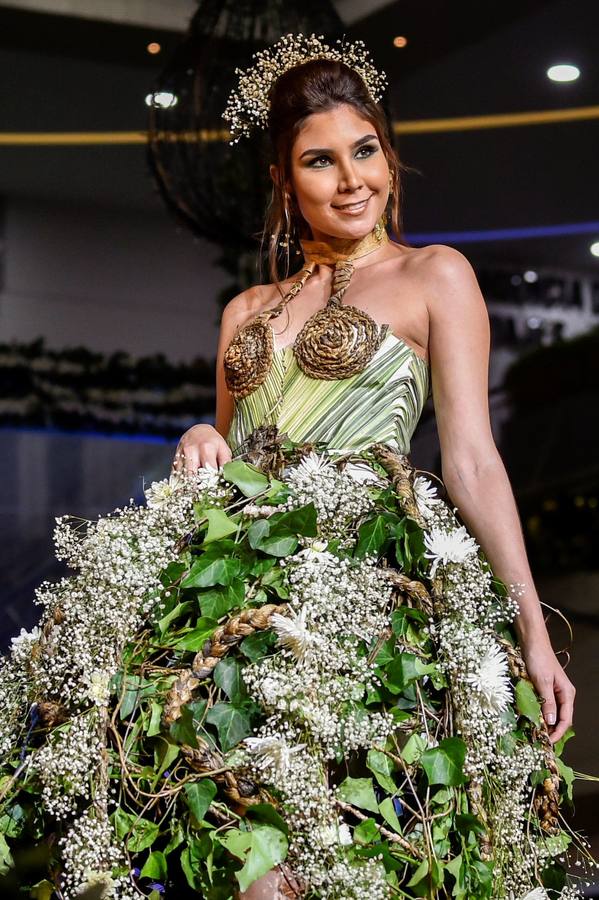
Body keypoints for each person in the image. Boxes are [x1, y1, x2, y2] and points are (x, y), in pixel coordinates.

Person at [0, 32, 588, 900]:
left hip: (359, 596)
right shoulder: (246, 308)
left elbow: (469, 458)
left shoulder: (434, 275)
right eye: (320, 160)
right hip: (226, 599)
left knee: (329, 856)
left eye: (365, 151)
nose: (351, 179)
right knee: (228, 851)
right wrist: (201, 434)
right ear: (284, 181)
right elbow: (234, 454)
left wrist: (534, 634)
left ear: (390, 158)